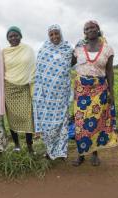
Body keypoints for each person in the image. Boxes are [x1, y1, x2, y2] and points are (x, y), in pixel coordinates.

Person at [72, 20, 118, 166]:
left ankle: (94, 153)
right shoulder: (78, 49)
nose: (90, 30)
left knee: (95, 122)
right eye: (86, 29)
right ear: (84, 33)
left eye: (92, 27)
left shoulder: (108, 49)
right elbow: (68, 63)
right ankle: (81, 154)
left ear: (98, 29)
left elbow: (110, 72)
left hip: (99, 89)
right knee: (81, 123)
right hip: (81, 90)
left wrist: (111, 92)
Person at [33, 24, 73, 160]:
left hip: (61, 95)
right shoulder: (44, 50)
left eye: (57, 33)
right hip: (46, 96)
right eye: (51, 34)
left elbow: (70, 68)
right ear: (48, 36)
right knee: (48, 124)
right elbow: (38, 73)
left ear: (61, 34)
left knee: (62, 123)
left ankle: (61, 151)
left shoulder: (68, 49)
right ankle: (50, 151)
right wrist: (39, 93)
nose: (54, 36)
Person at [3, 26, 36, 154]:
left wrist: (32, 85)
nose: (13, 38)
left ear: (20, 36)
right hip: (9, 87)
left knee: (28, 117)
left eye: (16, 35)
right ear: (7, 38)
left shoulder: (28, 49)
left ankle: (29, 145)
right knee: (12, 118)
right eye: (10, 36)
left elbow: (33, 68)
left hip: (24, 87)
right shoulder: (4, 52)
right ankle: (17, 144)